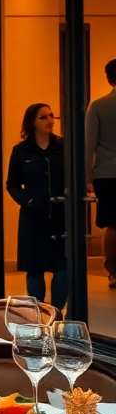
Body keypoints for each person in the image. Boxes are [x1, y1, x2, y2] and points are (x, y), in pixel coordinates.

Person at [9, 103, 68, 310]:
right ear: (32, 122)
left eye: (52, 116)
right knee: (35, 269)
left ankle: (57, 314)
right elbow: (12, 184)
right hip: (34, 218)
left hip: (60, 216)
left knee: (62, 266)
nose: (50, 121)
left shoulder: (63, 147)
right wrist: (28, 201)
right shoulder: (21, 151)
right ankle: (38, 314)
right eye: (43, 117)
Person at [87, 60, 116, 287]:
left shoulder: (98, 106)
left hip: (107, 173)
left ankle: (114, 272)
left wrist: (86, 177)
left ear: (109, 78)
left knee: (112, 224)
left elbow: (89, 144)